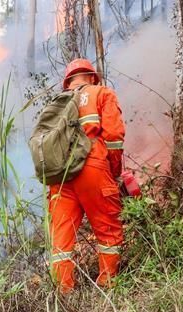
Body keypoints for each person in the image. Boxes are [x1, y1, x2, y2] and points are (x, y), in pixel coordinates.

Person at [48, 58, 127, 292]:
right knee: (108, 231)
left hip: (60, 176)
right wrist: (113, 172)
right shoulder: (102, 93)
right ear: (92, 77)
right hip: (92, 168)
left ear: (68, 82)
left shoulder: (57, 103)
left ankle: (63, 293)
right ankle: (107, 286)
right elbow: (114, 138)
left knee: (61, 239)